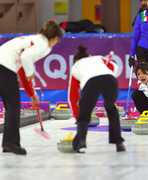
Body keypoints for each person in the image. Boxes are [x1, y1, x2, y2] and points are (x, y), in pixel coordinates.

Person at [0, 21, 63, 155]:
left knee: (11, 106)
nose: (57, 43)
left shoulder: (34, 39)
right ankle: (11, 143)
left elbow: (22, 67)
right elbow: (26, 58)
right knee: (13, 106)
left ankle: (8, 143)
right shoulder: (44, 45)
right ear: (55, 38)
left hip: (5, 66)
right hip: (5, 67)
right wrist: (31, 73)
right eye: (57, 40)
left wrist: (32, 94)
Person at [68, 46, 125, 153]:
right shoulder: (99, 58)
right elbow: (114, 67)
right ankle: (119, 143)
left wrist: (78, 117)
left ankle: (81, 141)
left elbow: (72, 95)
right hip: (110, 79)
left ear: (76, 61)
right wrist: (108, 75)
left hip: (90, 83)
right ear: (89, 56)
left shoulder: (75, 66)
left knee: (85, 113)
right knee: (111, 109)